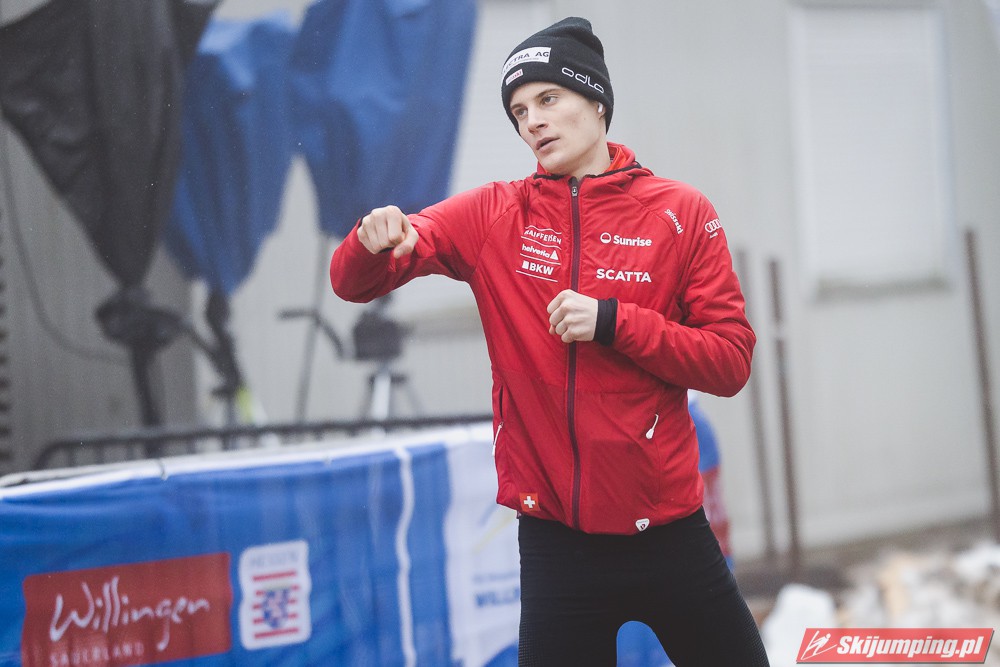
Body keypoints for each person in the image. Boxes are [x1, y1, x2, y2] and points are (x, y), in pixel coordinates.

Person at [330, 16, 769, 666]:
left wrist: (615, 322)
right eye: (518, 111)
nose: (533, 121)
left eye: (548, 98)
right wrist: (370, 241)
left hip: (669, 532)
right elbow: (355, 282)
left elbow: (730, 361)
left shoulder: (681, 213)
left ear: (597, 102)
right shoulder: (493, 214)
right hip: (558, 544)